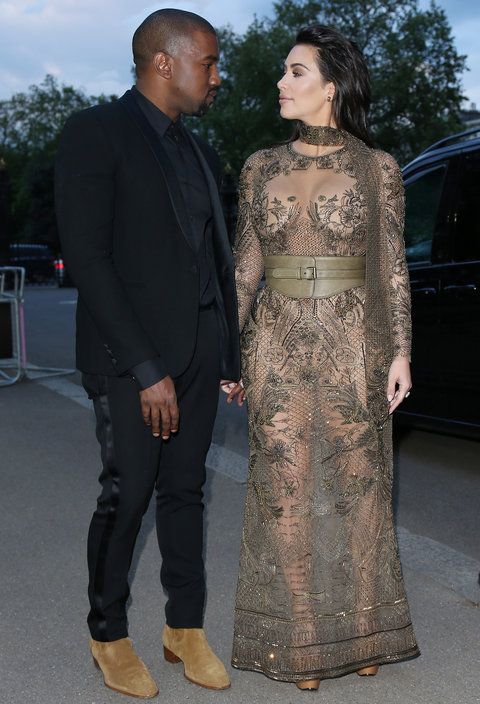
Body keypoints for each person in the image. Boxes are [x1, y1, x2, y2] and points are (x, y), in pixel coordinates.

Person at [227, 24, 420, 690]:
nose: (281, 82)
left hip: (353, 343)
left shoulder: (377, 168)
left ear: (331, 86)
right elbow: (244, 270)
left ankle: (363, 629)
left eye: (296, 72)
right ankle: (305, 638)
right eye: (284, 72)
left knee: (359, 491)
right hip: (275, 345)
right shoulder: (259, 167)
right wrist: (229, 350)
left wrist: (402, 352)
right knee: (284, 492)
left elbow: (391, 267)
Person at [55, 9, 240, 699]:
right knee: (128, 492)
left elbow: (214, 260)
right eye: (208, 62)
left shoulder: (201, 153)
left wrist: (230, 356)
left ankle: (184, 628)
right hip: (131, 362)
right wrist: (144, 367)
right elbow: (90, 260)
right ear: (164, 62)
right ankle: (107, 635)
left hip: (199, 352)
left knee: (186, 491)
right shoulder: (95, 133)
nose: (216, 77)